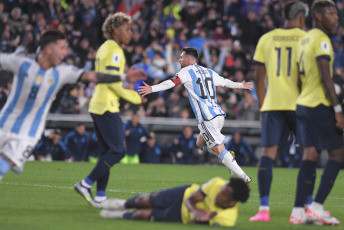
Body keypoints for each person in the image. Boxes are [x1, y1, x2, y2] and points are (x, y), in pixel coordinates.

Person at [0, 29, 146, 182]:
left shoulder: (63, 71)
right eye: (62, 48)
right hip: (3, 123)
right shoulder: (22, 62)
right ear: (49, 49)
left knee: (3, 167)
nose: (65, 52)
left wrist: (123, 76)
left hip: (28, 134)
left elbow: (92, 75)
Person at [139, 47, 253, 183]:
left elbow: (171, 82)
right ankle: (228, 157)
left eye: (181, 57)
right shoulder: (208, 71)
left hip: (207, 118)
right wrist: (241, 85)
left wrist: (152, 88)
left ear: (188, 60)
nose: (179, 59)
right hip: (218, 115)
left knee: (218, 149)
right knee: (200, 143)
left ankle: (243, 177)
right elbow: (225, 81)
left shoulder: (186, 71)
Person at [74, 12, 144, 207]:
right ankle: (86, 184)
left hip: (98, 104)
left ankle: (101, 196)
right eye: (127, 29)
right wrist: (135, 96)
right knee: (118, 151)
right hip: (106, 105)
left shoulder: (105, 47)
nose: (130, 33)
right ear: (116, 30)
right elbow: (112, 82)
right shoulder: (114, 50)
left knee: (107, 151)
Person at [249, 1, 308, 222]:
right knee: (308, 155)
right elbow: (305, 77)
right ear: (301, 18)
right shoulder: (305, 39)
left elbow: (258, 77)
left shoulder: (267, 38)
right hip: (300, 105)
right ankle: (303, 208)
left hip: (273, 104)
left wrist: (263, 106)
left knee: (268, 155)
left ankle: (263, 209)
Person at [289, 0, 343, 226]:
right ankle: (317, 207)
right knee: (338, 154)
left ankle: (298, 211)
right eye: (331, 13)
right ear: (318, 16)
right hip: (319, 104)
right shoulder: (321, 39)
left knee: (310, 155)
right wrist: (338, 109)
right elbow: (325, 76)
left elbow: (300, 77)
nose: (336, 18)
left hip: (302, 104)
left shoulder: (304, 38)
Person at [99, 177, 250, 227]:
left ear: (232, 202)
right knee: (143, 200)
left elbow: (196, 223)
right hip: (183, 194)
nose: (219, 193)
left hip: (180, 216)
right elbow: (191, 200)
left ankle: (121, 214)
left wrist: (197, 219)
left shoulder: (228, 219)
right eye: (222, 189)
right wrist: (197, 211)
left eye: (224, 194)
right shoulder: (217, 182)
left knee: (142, 215)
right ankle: (122, 204)